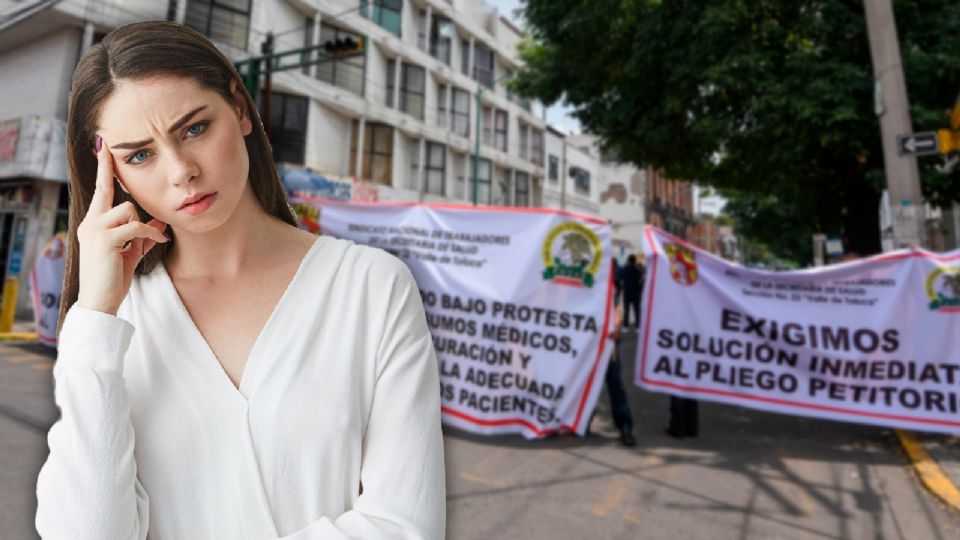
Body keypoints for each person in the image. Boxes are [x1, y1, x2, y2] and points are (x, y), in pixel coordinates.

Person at [35, 21, 445, 539]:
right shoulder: (113, 323)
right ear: (110, 177)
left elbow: (406, 526)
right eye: (140, 155)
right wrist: (93, 321)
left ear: (240, 107)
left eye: (194, 129)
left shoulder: (371, 287)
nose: (181, 170)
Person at [617, 254, 643, 330]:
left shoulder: (624, 270)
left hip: (627, 293)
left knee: (626, 310)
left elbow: (619, 276)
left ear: (628, 260)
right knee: (637, 310)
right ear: (635, 261)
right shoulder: (638, 271)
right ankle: (637, 326)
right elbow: (641, 282)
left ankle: (625, 326)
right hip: (636, 293)